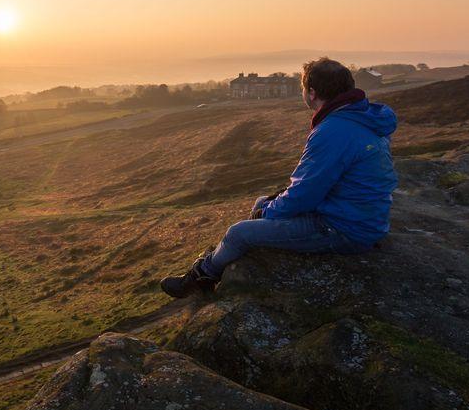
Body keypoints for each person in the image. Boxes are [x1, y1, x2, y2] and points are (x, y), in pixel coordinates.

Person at [161, 58, 398, 298]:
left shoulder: (333, 130)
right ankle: (225, 260)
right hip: (357, 216)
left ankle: (201, 277)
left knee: (239, 232)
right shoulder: (362, 117)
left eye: (303, 88)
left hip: (343, 229)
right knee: (261, 203)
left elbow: (304, 195)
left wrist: (268, 212)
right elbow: (320, 184)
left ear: (312, 93)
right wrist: (269, 206)